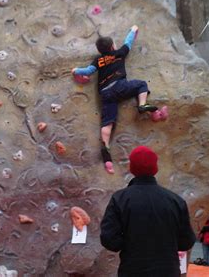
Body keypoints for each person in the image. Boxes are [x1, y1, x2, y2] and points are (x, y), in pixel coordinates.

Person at [72, 25, 158, 174]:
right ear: (113, 46)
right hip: (120, 86)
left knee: (107, 122)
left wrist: (75, 71)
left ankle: (106, 153)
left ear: (99, 51)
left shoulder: (98, 60)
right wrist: (133, 30)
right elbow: (128, 42)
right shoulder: (119, 53)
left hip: (106, 93)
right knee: (141, 84)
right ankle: (142, 105)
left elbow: (87, 71)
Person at [100, 146, 196, 276]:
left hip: (132, 270)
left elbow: (109, 239)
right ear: (155, 168)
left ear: (132, 168)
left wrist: (129, 243)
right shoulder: (175, 201)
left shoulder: (120, 199)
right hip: (168, 271)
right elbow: (186, 241)